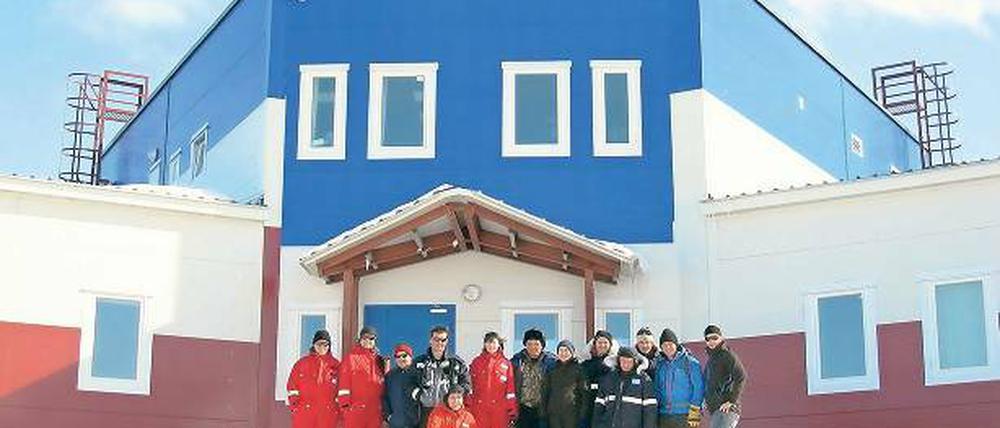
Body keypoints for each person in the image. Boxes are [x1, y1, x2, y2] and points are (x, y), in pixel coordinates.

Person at [415, 325, 472, 427]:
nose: (439, 343)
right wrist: (419, 395)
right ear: (430, 340)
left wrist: (456, 397)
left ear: (446, 341)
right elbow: (408, 383)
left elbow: (466, 384)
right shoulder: (419, 362)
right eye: (436, 339)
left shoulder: (456, 363)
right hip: (425, 410)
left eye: (443, 340)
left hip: (447, 412)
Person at [286, 330, 341, 428]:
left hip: (327, 416)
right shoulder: (301, 364)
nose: (322, 347)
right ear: (313, 345)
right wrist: (296, 408)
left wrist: (336, 410)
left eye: (325, 345)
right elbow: (292, 387)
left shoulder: (336, 366)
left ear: (329, 346)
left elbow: (342, 390)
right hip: (305, 415)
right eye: (319, 344)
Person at [592, 347, 656, 428]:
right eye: (623, 361)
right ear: (618, 361)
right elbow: (599, 407)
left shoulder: (643, 379)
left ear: (635, 362)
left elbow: (650, 410)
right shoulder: (609, 378)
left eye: (629, 361)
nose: (626, 364)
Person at [652, 328, 704, 428]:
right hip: (664, 414)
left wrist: (694, 411)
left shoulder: (690, 363)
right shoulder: (660, 365)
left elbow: (699, 387)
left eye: (670, 344)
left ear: (676, 345)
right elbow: (657, 388)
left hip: (685, 414)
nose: (668, 347)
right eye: (664, 345)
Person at [338, 326, 387, 428]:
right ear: (360, 340)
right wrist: (346, 408)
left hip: (375, 412)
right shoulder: (351, 358)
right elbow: (343, 384)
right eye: (364, 338)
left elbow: (385, 384)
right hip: (356, 412)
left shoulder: (379, 360)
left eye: (371, 338)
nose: (368, 341)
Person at [468, 332, 518, 428]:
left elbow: (510, 390)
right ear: (484, 344)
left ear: (499, 345)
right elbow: (470, 386)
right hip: (479, 408)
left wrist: (511, 409)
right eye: (488, 342)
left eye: (494, 342)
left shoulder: (506, 364)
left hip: (500, 409)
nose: (491, 345)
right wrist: (468, 405)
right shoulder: (476, 362)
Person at [510, 328, 557, 428]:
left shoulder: (551, 362)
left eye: (536, 344)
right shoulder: (517, 361)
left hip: (542, 410)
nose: (533, 347)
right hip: (523, 409)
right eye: (529, 344)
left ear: (542, 346)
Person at [702, 325, 746, 428]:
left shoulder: (726, 355)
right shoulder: (711, 359)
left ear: (721, 338)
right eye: (708, 339)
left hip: (725, 409)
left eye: (715, 338)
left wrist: (731, 401)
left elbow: (741, 376)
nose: (711, 341)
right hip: (716, 410)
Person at [540, 340, 587, 428]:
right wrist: (543, 413)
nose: (563, 353)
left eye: (566, 350)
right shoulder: (552, 369)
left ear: (572, 353)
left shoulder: (579, 370)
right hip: (554, 414)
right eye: (561, 350)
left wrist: (582, 415)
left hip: (572, 413)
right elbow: (545, 392)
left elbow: (584, 394)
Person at [580, 330, 616, 428]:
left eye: (605, 342)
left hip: (608, 409)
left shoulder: (615, 365)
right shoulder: (585, 364)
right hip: (588, 407)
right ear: (595, 344)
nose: (602, 345)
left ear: (610, 345)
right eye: (600, 342)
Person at [384, 343, 422, 428]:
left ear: (410, 356)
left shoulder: (418, 374)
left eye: (404, 355)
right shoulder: (390, 376)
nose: (401, 358)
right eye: (398, 356)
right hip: (396, 424)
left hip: (414, 424)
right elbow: (385, 397)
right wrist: (388, 416)